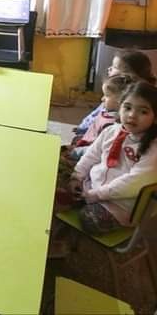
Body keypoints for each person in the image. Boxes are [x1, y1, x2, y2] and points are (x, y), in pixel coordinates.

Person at [58, 82, 157, 234]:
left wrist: (95, 195)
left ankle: (76, 203)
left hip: (118, 205)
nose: (132, 115)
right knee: (55, 173)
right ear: (120, 107)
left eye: (143, 112)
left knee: (88, 219)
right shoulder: (111, 131)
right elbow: (91, 155)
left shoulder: (153, 149)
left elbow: (131, 184)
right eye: (127, 107)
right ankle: (75, 199)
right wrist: (76, 177)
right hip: (91, 186)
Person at [75, 49, 156, 137]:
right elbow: (96, 118)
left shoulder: (121, 107)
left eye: (114, 67)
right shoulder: (112, 96)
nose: (109, 68)